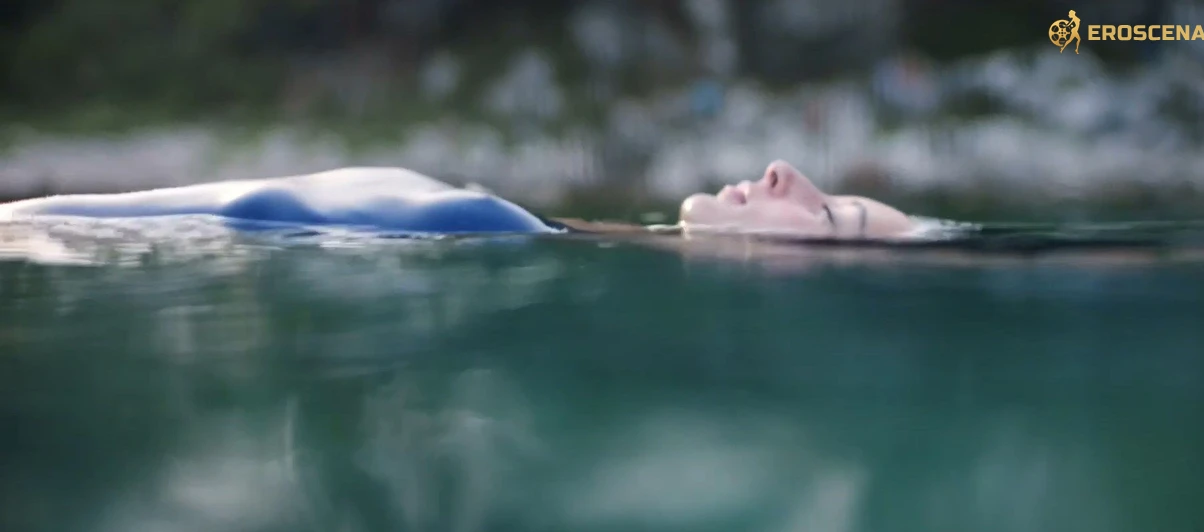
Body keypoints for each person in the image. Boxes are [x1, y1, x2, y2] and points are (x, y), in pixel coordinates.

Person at [0, 160, 921, 239]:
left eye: (831, 214)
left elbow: (249, 213)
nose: (786, 171)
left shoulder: (482, 228)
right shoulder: (495, 225)